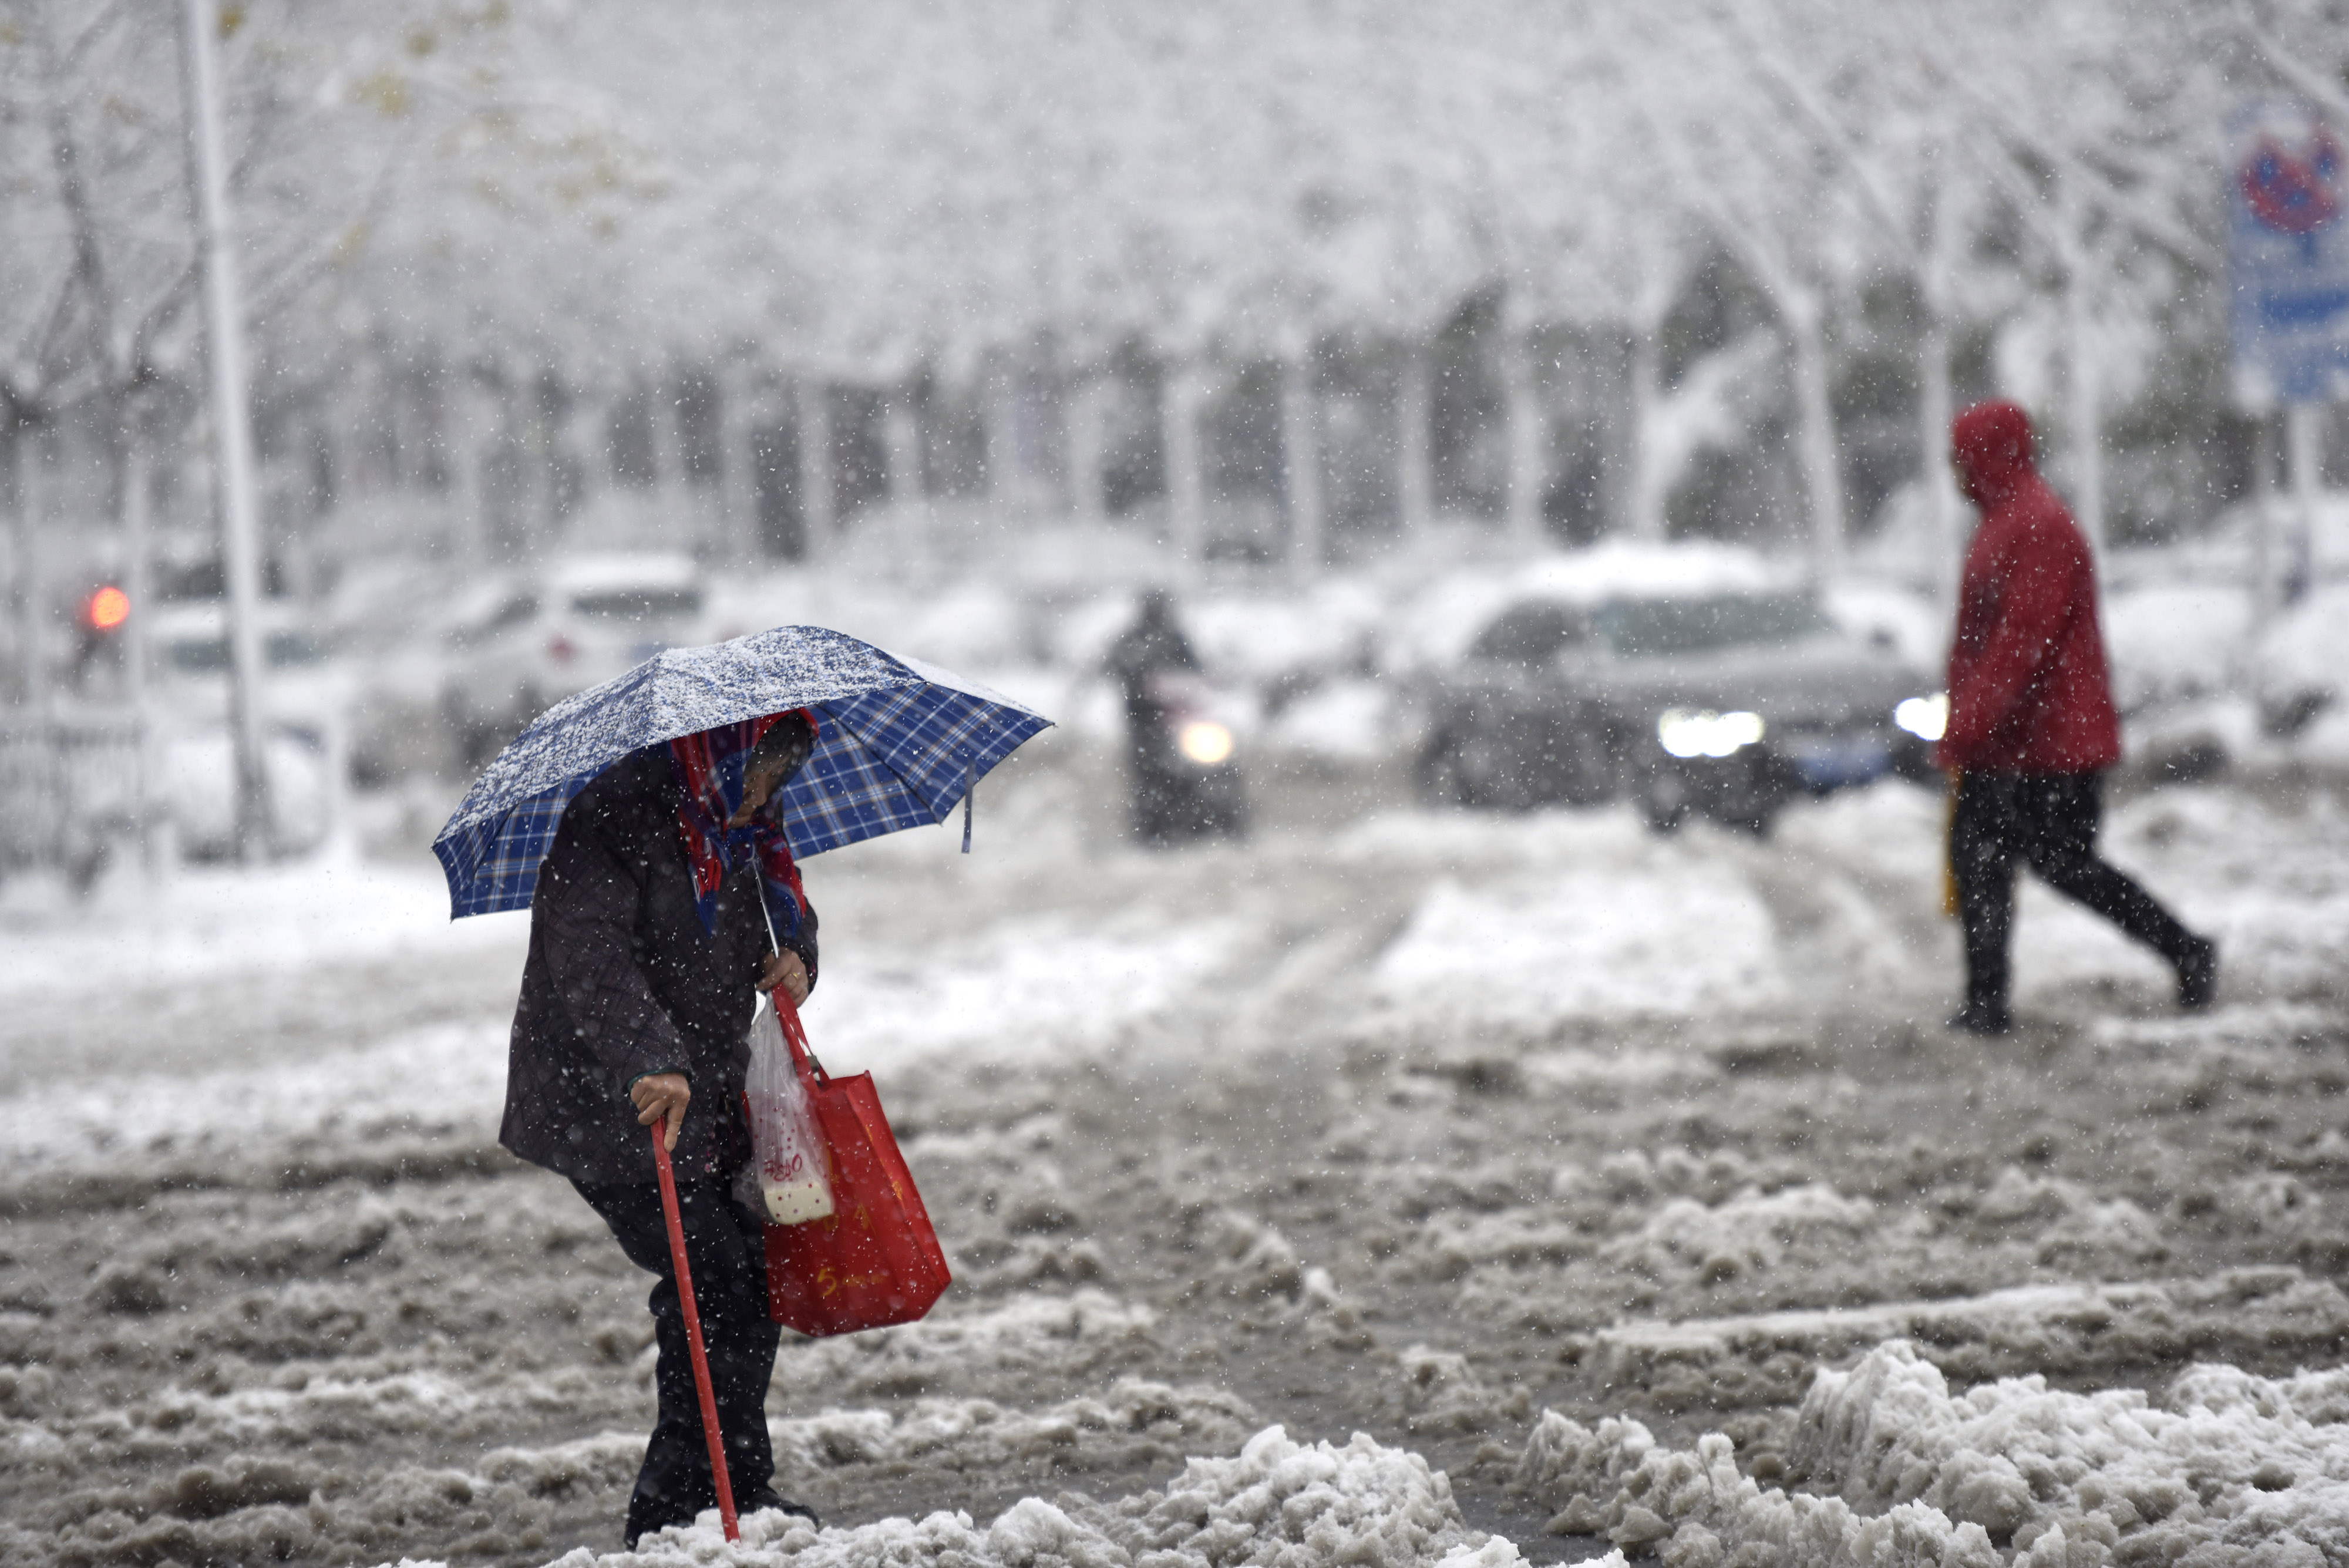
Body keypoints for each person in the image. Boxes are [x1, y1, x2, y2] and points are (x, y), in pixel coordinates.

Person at [501, 711, 824, 1547]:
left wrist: (799, 952)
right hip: (609, 1097)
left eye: (777, 780)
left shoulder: (744, 821)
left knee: (745, 1275)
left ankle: (736, 1487)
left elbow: (777, 913)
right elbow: (587, 954)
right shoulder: (613, 815)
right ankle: (674, 1505)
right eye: (756, 774)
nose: (762, 796)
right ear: (720, 753)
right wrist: (649, 1055)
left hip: (707, 1092)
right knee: (709, 1276)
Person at [1935, 401, 2217, 1034]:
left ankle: (2185, 949)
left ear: (1986, 457)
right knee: (1982, 860)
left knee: (2061, 863)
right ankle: (1985, 1002)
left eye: (1958, 458)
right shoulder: (2005, 522)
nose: (1951, 472)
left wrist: (1970, 724)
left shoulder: (2035, 527)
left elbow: (2020, 641)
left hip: (2049, 743)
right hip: (2012, 741)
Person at [1104, 588, 1204, 841]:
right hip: (1143, 723)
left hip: (1180, 722)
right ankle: (1149, 829)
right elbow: (1112, 667)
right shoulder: (1132, 640)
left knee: (1199, 770)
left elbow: (1196, 671)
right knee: (1147, 778)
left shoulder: (1175, 639)